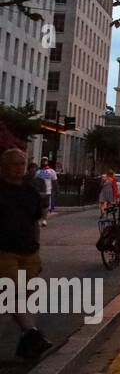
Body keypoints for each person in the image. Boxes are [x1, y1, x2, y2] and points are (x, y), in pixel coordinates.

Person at [1, 149, 53, 360]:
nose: (19, 168)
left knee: (28, 294)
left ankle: (29, 338)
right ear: (4, 166)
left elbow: (35, 221)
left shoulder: (29, 191)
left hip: (29, 250)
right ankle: (32, 334)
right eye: (14, 164)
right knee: (12, 292)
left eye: (22, 164)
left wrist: (37, 246)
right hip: (4, 250)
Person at [35, 158, 57, 226]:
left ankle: (44, 220)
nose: (44, 162)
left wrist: (54, 190)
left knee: (45, 206)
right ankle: (39, 219)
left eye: (45, 160)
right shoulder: (38, 172)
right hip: (39, 192)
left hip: (47, 191)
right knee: (39, 206)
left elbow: (54, 181)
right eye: (43, 160)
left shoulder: (52, 171)